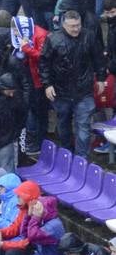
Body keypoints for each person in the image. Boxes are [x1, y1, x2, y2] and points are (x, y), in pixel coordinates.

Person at [40, 9, 104, 158]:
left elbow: (98, 59)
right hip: (61, 91)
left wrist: (101, 78)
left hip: (84, 90)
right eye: (72, 26)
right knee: (63, 125)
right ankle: (67, 155)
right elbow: (44, 63)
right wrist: (47, 84)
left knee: (83, 127)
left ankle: (81, 160)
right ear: (64, 25)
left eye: (78, 25)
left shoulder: (89, 36)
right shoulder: (53, 39)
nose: (76, 29)